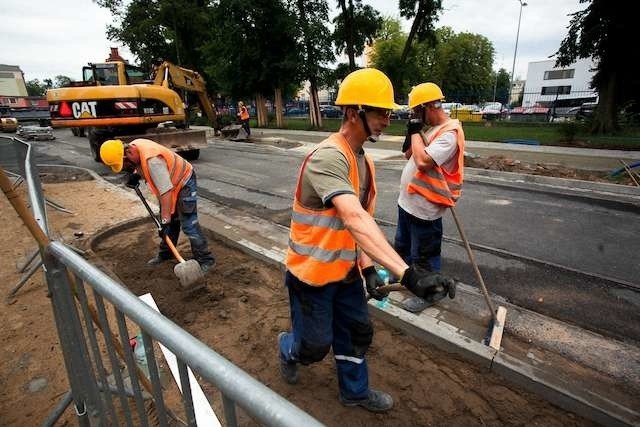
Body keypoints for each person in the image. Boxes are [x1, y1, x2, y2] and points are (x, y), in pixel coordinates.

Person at [277, 69, 456, 413]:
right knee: (314, 347)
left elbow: (362, 226)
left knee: (357, 333)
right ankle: (288, 347)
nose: (387, 120)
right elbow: (353, 217)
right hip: (311, 277)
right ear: (352, 111)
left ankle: (355, 392)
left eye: (389, 113)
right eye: (378, 112)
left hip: (345, 274)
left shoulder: (365, 163)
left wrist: (369, 268)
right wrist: (408, 275)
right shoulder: (327, 157)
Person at [396, 83, 465, 313]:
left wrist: (416, 131)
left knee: (424, 256)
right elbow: (408, 154)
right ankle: (410, 282)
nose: (416, 115)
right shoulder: (430, 129)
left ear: (427, 106)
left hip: (426, 210)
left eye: (417, 111)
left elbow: (424, 162)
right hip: (407, 204)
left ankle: (431, 294)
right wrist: (412, 131)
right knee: (403, 249)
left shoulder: (450, 134)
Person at [99, 138, 215, 273]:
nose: (127, 169)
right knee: (168, 223)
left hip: (183, 181)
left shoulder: (153, 160)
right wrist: (136, 174)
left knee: (188, 223)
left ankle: (205, 260)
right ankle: (167, 253)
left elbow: (165, 192)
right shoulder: (135, 147)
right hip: (168, 184)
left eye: (126, 165)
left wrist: (165, 221)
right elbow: (144, 168)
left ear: (128, 152)